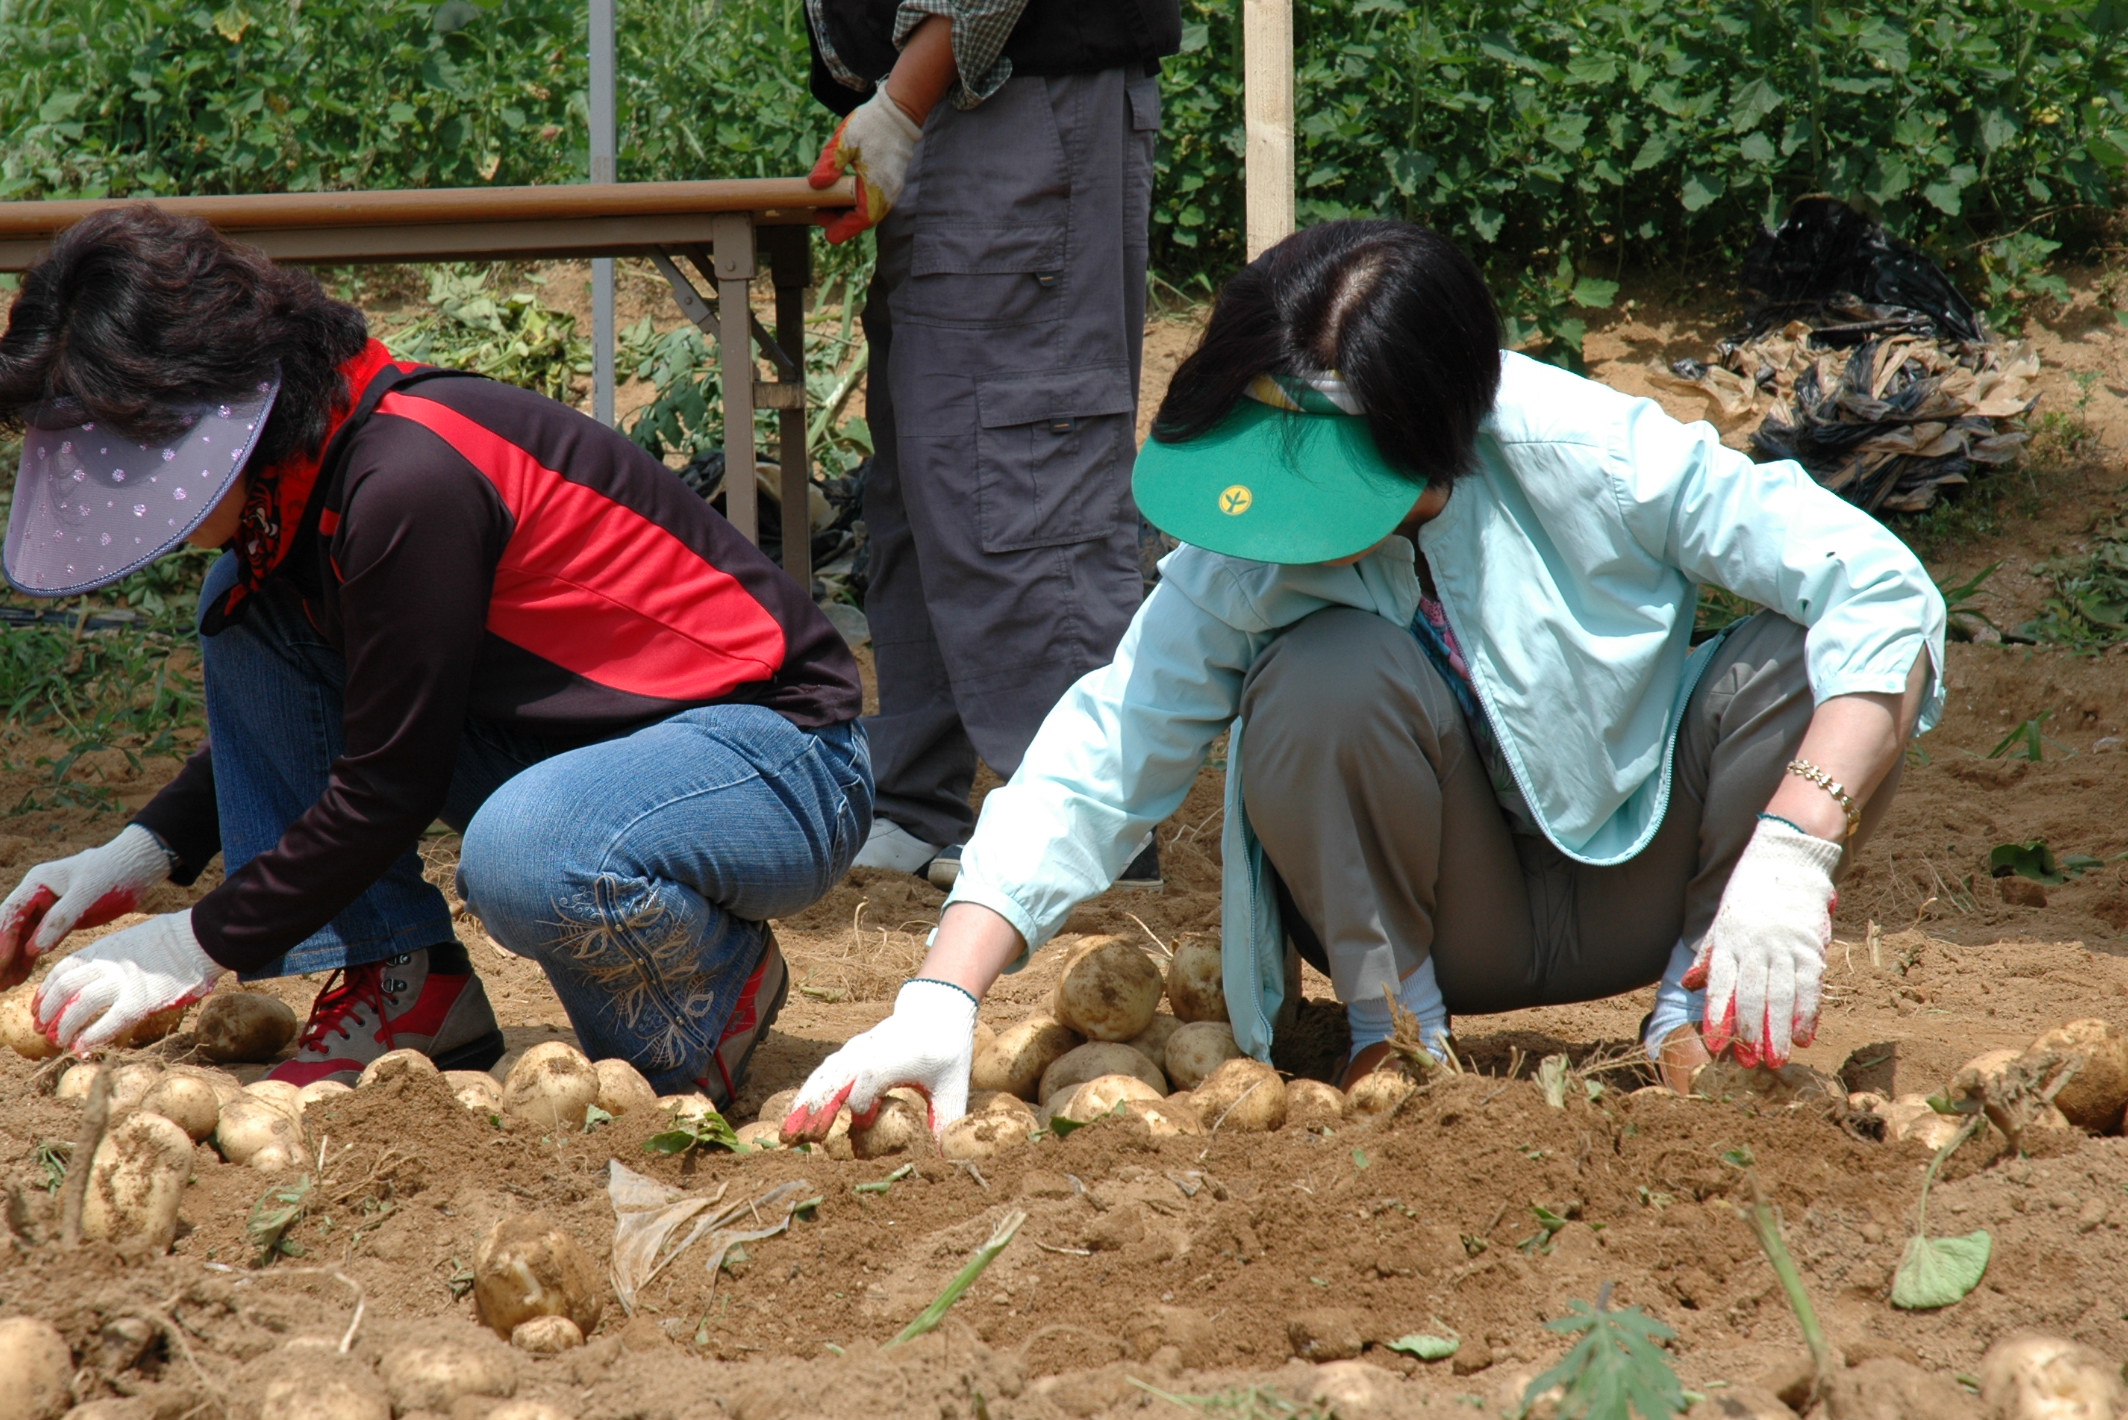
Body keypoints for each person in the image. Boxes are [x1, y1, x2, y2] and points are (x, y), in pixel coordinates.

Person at [782, 218, 1943, 1138]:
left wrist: (1793, 842)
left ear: (1442, 433)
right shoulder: (1250, 544)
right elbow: (1106, 750)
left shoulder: (1589, 450)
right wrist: (940, 994)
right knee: (1321, 670)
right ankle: (1397, 1037)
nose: (1299, 526)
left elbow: (1882, 590)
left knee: (1813, 656)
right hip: (1445, 918)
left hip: (1651, 874)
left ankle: (1702, 1019)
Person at [0, 205, 872, 1102]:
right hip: (592, 752)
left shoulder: (407, 480)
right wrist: (135, 856)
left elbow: (389, 781)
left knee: (526, 853)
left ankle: (711, 993)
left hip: (776, 754)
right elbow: (348, 719)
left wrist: (192, 946)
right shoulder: (310, 485)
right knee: (246, 607)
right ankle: (403, 982)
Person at [801, 0, 1179, 888]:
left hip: (1011, 95)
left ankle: (1085, 825)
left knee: (1014, 458)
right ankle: (914, 797)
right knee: (927, 467)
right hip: (957, 102)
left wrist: (902, 99)